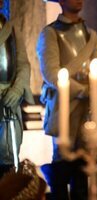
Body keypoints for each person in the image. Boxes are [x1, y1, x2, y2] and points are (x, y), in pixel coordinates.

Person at [37, 0, 97, 199]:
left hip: (87, 111)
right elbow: (51, 73)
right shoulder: (50, 33)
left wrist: (96, 90)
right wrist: (82, 91)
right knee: (61, 167)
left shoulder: (90, 35)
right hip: (63, 109)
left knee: (85, 168)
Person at [0, 0, 34, 178]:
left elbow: (23, 64)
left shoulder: (12, 30)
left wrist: (17, 89)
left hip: (9, 102)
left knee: (8, 162)